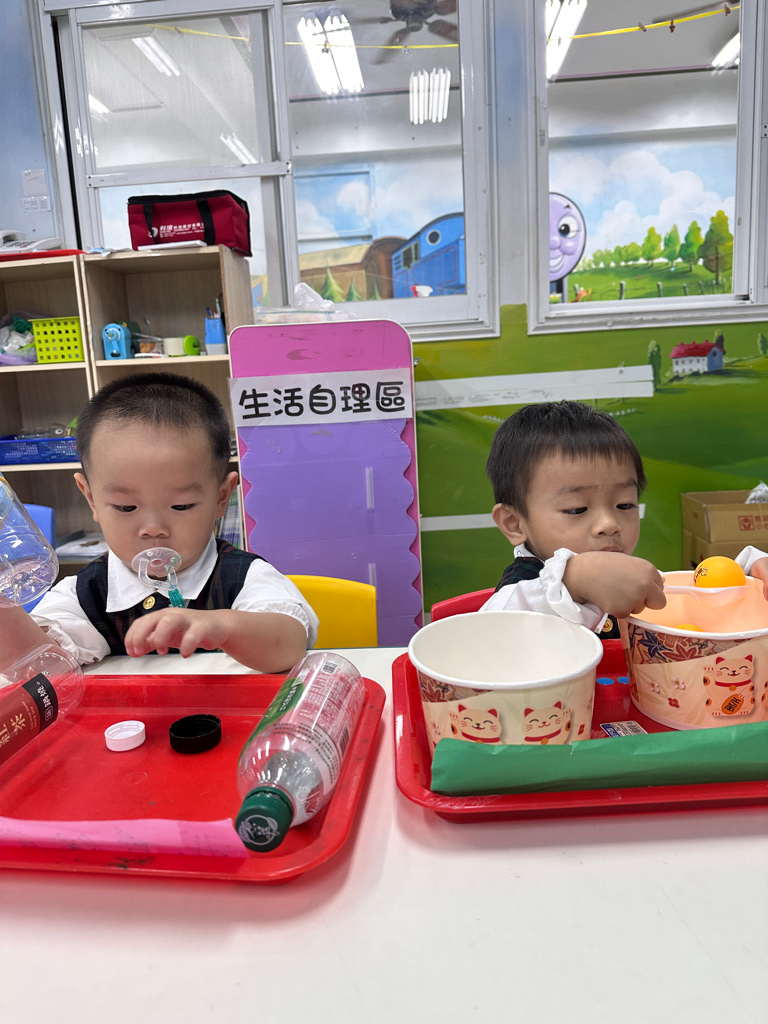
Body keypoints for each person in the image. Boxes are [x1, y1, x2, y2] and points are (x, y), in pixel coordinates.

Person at [0, 373, 318, 672]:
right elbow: (38, 666)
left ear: (222, 498)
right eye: (126, 507)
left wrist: (221, 627)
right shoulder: (87, 594)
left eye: (181, 505)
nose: (153, 528)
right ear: (91, 499)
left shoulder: (244, 577)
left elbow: (289, 645)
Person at [482, 400, 768, 634]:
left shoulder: (627, 572)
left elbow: (688, 594)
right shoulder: (520, 595)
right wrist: (573, 579)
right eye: (577, 509)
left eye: (624, 505)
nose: (609, 524)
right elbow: (486, 634)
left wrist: (748, 573)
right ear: (514, 523)